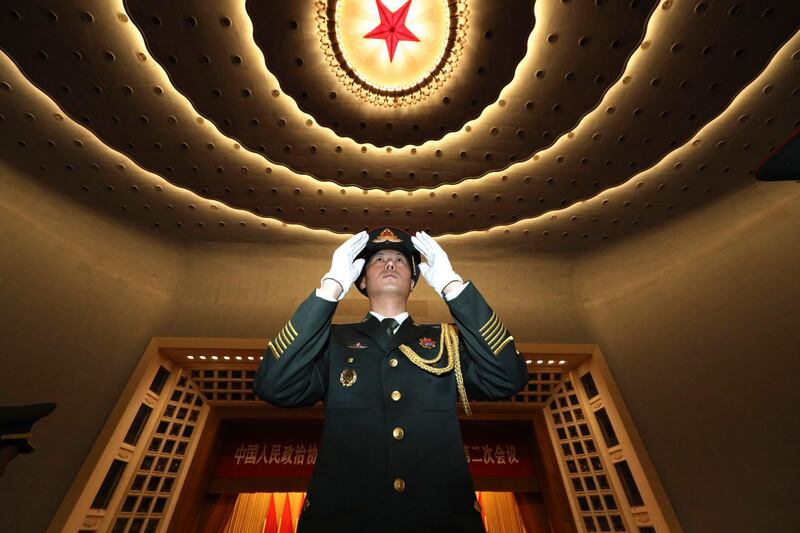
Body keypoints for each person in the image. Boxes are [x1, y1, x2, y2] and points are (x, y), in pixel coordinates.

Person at [254, 227, 528, 532]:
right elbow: (274, 385)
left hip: (440, 518)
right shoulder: (333, 341)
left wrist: (453, 287)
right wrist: (330, 287)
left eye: (400, 259)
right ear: (359, 279)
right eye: (378, 259)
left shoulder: (445, 341)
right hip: (344, 519)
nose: (389, 264)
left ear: (414, 281)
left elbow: (508, 377)